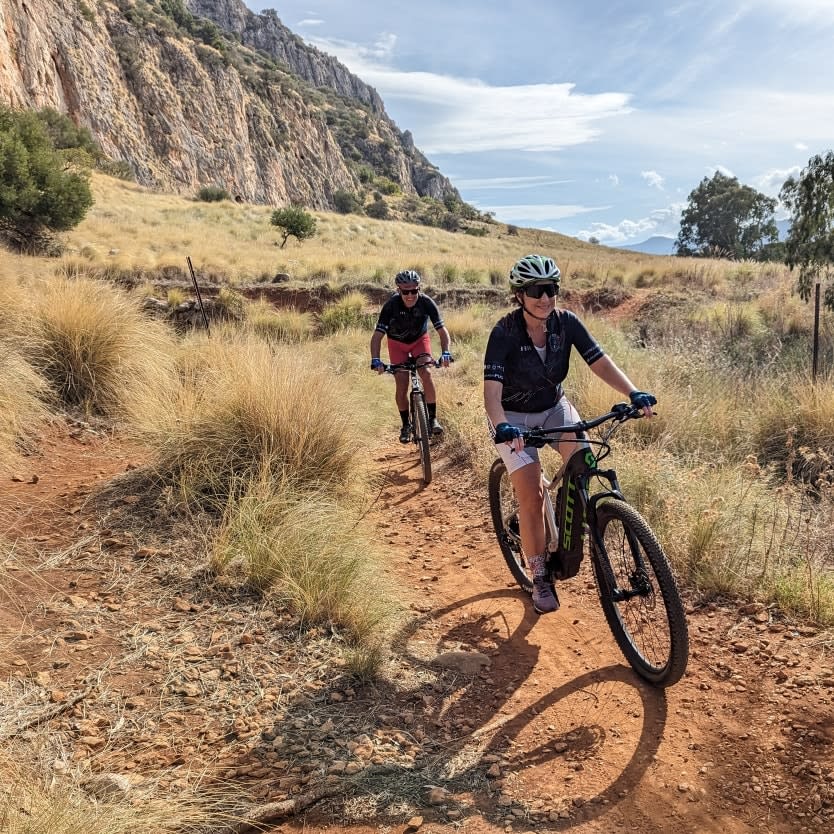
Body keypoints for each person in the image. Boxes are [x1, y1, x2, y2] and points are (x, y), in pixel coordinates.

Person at [483, 254, 656, 615]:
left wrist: (632, 392)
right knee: (529, 490)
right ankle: (540, 575)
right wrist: (501, 425)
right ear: (519, 295)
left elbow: (599, 361)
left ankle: (568, 521)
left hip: (552, 408)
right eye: (535, 290)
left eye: (551, 289)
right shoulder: (504, 333)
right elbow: (492, 393)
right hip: (512, 416)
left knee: (584, 460)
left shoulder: (566, 324)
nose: (545, 298)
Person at [370, 269, 453, 443]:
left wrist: (446, 352)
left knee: (427, 373)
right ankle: (406, 425)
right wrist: (375, 359)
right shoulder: (390, 306)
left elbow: (442, 331)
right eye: (405, 291)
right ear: (398, 290)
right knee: (401, 384)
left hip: (419, 341)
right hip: (397, 344)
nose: (410, 295)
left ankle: (432, 419)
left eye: (414, 291)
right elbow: (377, 336)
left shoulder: (426, 302)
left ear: (419, 289)